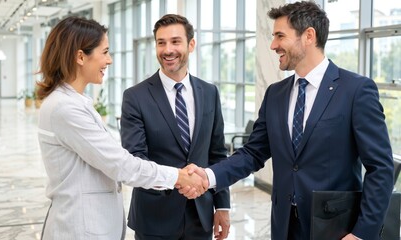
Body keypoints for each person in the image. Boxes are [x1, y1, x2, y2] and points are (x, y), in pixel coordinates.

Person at [182, 1, 394, 240]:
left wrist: (362, 233)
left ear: (308, 36)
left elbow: (380, 168)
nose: (273, 45)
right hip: (284, 225)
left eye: (280, 36)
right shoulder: (275, 94)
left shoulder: (356, 90)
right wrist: (208, 176)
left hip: (337, 229)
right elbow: (252, 153)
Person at [36, 16, 207, 240]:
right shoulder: (65, 108)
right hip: (78, 227)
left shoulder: (73, 102)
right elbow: (122, 165)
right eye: (104, 52)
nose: (109, 60)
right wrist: (178, 176)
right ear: (80, 56)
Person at [120, 14, 230, 240]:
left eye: (175, 41)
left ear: (191, 44)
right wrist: (179, 180)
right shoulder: (135, 97)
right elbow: (136, 159)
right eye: (161, 43)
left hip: (201, 216)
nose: (167, 50)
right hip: (154, 217)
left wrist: (222, 206)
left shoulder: (209, 92)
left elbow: (217, 154)